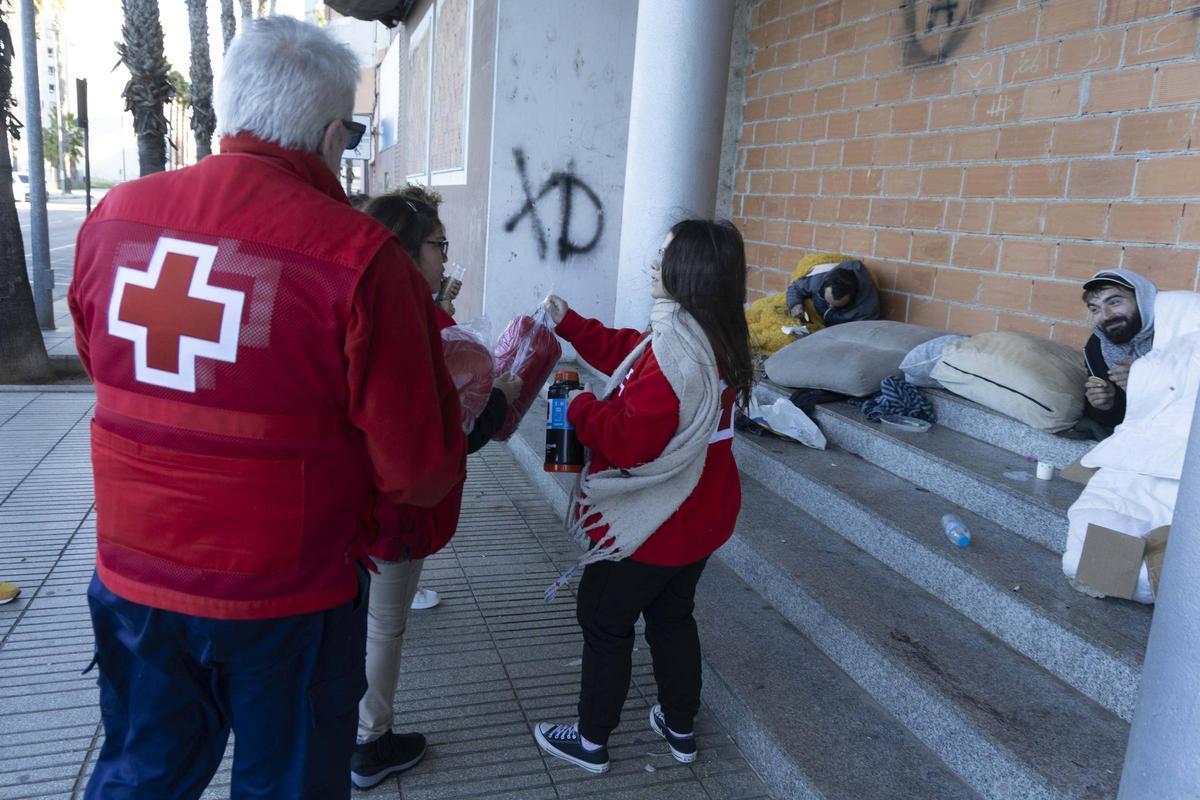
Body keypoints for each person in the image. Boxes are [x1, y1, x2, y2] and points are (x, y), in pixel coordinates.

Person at [68, 18, 465, 800]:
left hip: (133, 576)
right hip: (289, 599)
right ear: (327, 134)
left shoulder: (113, 218)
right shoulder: (360, 260)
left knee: (142, 775)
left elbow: (101, 363)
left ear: (226, 113)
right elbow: (415, 468)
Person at [531, 219, 753, 774]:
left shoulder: (679, 352)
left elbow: (628, 442)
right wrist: (572, 325)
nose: (653, 264)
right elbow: (631, 354)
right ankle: (679, 728)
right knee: (673, 616)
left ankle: (590, 742)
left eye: (665, 256)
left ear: (693, 272)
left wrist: (579, 404)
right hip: (701, 517)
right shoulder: (708, 333)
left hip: (655, 523)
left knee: (604, 619)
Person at [350, 187, 522, 789]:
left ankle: (344, 726)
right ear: (406, 248)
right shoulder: (412, 329)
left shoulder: (357, 301)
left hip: (347, 501)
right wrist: (500, 398)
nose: (445, 259)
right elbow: (440, 441)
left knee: (355, 617)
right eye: (438, 246)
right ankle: (368, 743)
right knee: (381, 627)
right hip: (393, 510)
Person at [1080, 269, 1158, 438]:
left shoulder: (1176, 337)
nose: (1106, 316)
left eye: (1114, 302)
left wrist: (1147, 382)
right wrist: (1106, 405)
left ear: (1142, 299)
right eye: (1095, 309)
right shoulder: (1097, 345)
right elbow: (1113, 421)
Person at [785, 258, 880, 327]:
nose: (830, 306)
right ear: (824, 286)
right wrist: (795, 304)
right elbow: (795, 287)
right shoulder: (819, 278)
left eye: (837, 306)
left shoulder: (868, 310)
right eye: (827, 301)